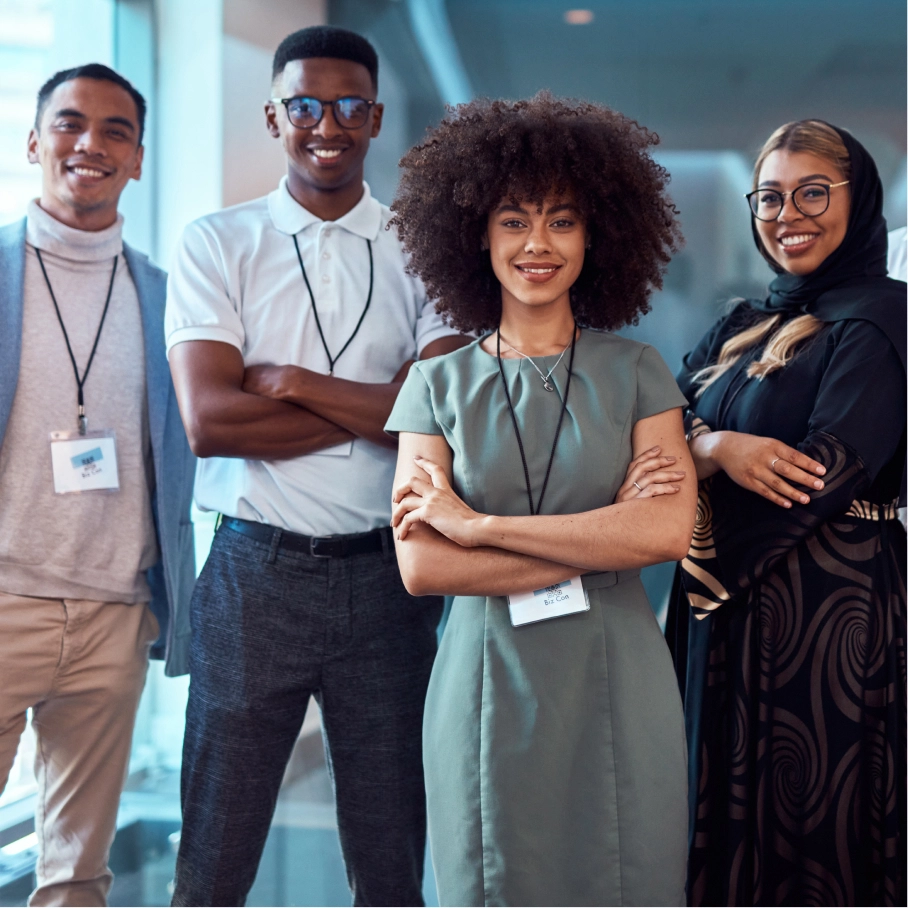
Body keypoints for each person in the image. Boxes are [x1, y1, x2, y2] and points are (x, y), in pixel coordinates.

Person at [165, 26, 468, 907]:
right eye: (303, 105)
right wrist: (377, 404)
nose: (324, 124)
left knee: (390, 860)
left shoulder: (427, 249)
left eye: (346, 106)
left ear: (375, 118)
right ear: (274, 116)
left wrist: (294, 384)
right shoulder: (217, 242)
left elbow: (435, 415)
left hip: (391, 577)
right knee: (214, 857)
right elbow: (212, 421)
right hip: (253, 572)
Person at [384, 93, 697, 907]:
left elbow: (665, 530)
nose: (537, 244)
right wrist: (603, 533)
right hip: (485, 675)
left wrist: (476, 526)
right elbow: (422, 564)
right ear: (476, 237)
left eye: (562, 221)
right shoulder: (435, 384)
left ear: (595, 238)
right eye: (515, 220)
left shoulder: (638, 371)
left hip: (619, 675)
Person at [666, 120, 906, 906]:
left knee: (810, 830)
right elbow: (652, 422)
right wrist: (714, 451)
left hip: (831, 616)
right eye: (770, 196)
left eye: (812, 193)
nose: (787, 214)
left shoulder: (887, 317)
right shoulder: (745, 323)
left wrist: (692, 532)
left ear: (857, 198)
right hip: (725, 614)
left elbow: (821, 474)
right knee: (713, 815)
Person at [0, 64, 195, 906]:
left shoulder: (168, 299)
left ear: (140, 159)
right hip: (4, 603)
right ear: (34, 141)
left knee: (78, 875)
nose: (91, 143)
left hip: (115, 618)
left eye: (116, 130)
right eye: (71, 124)